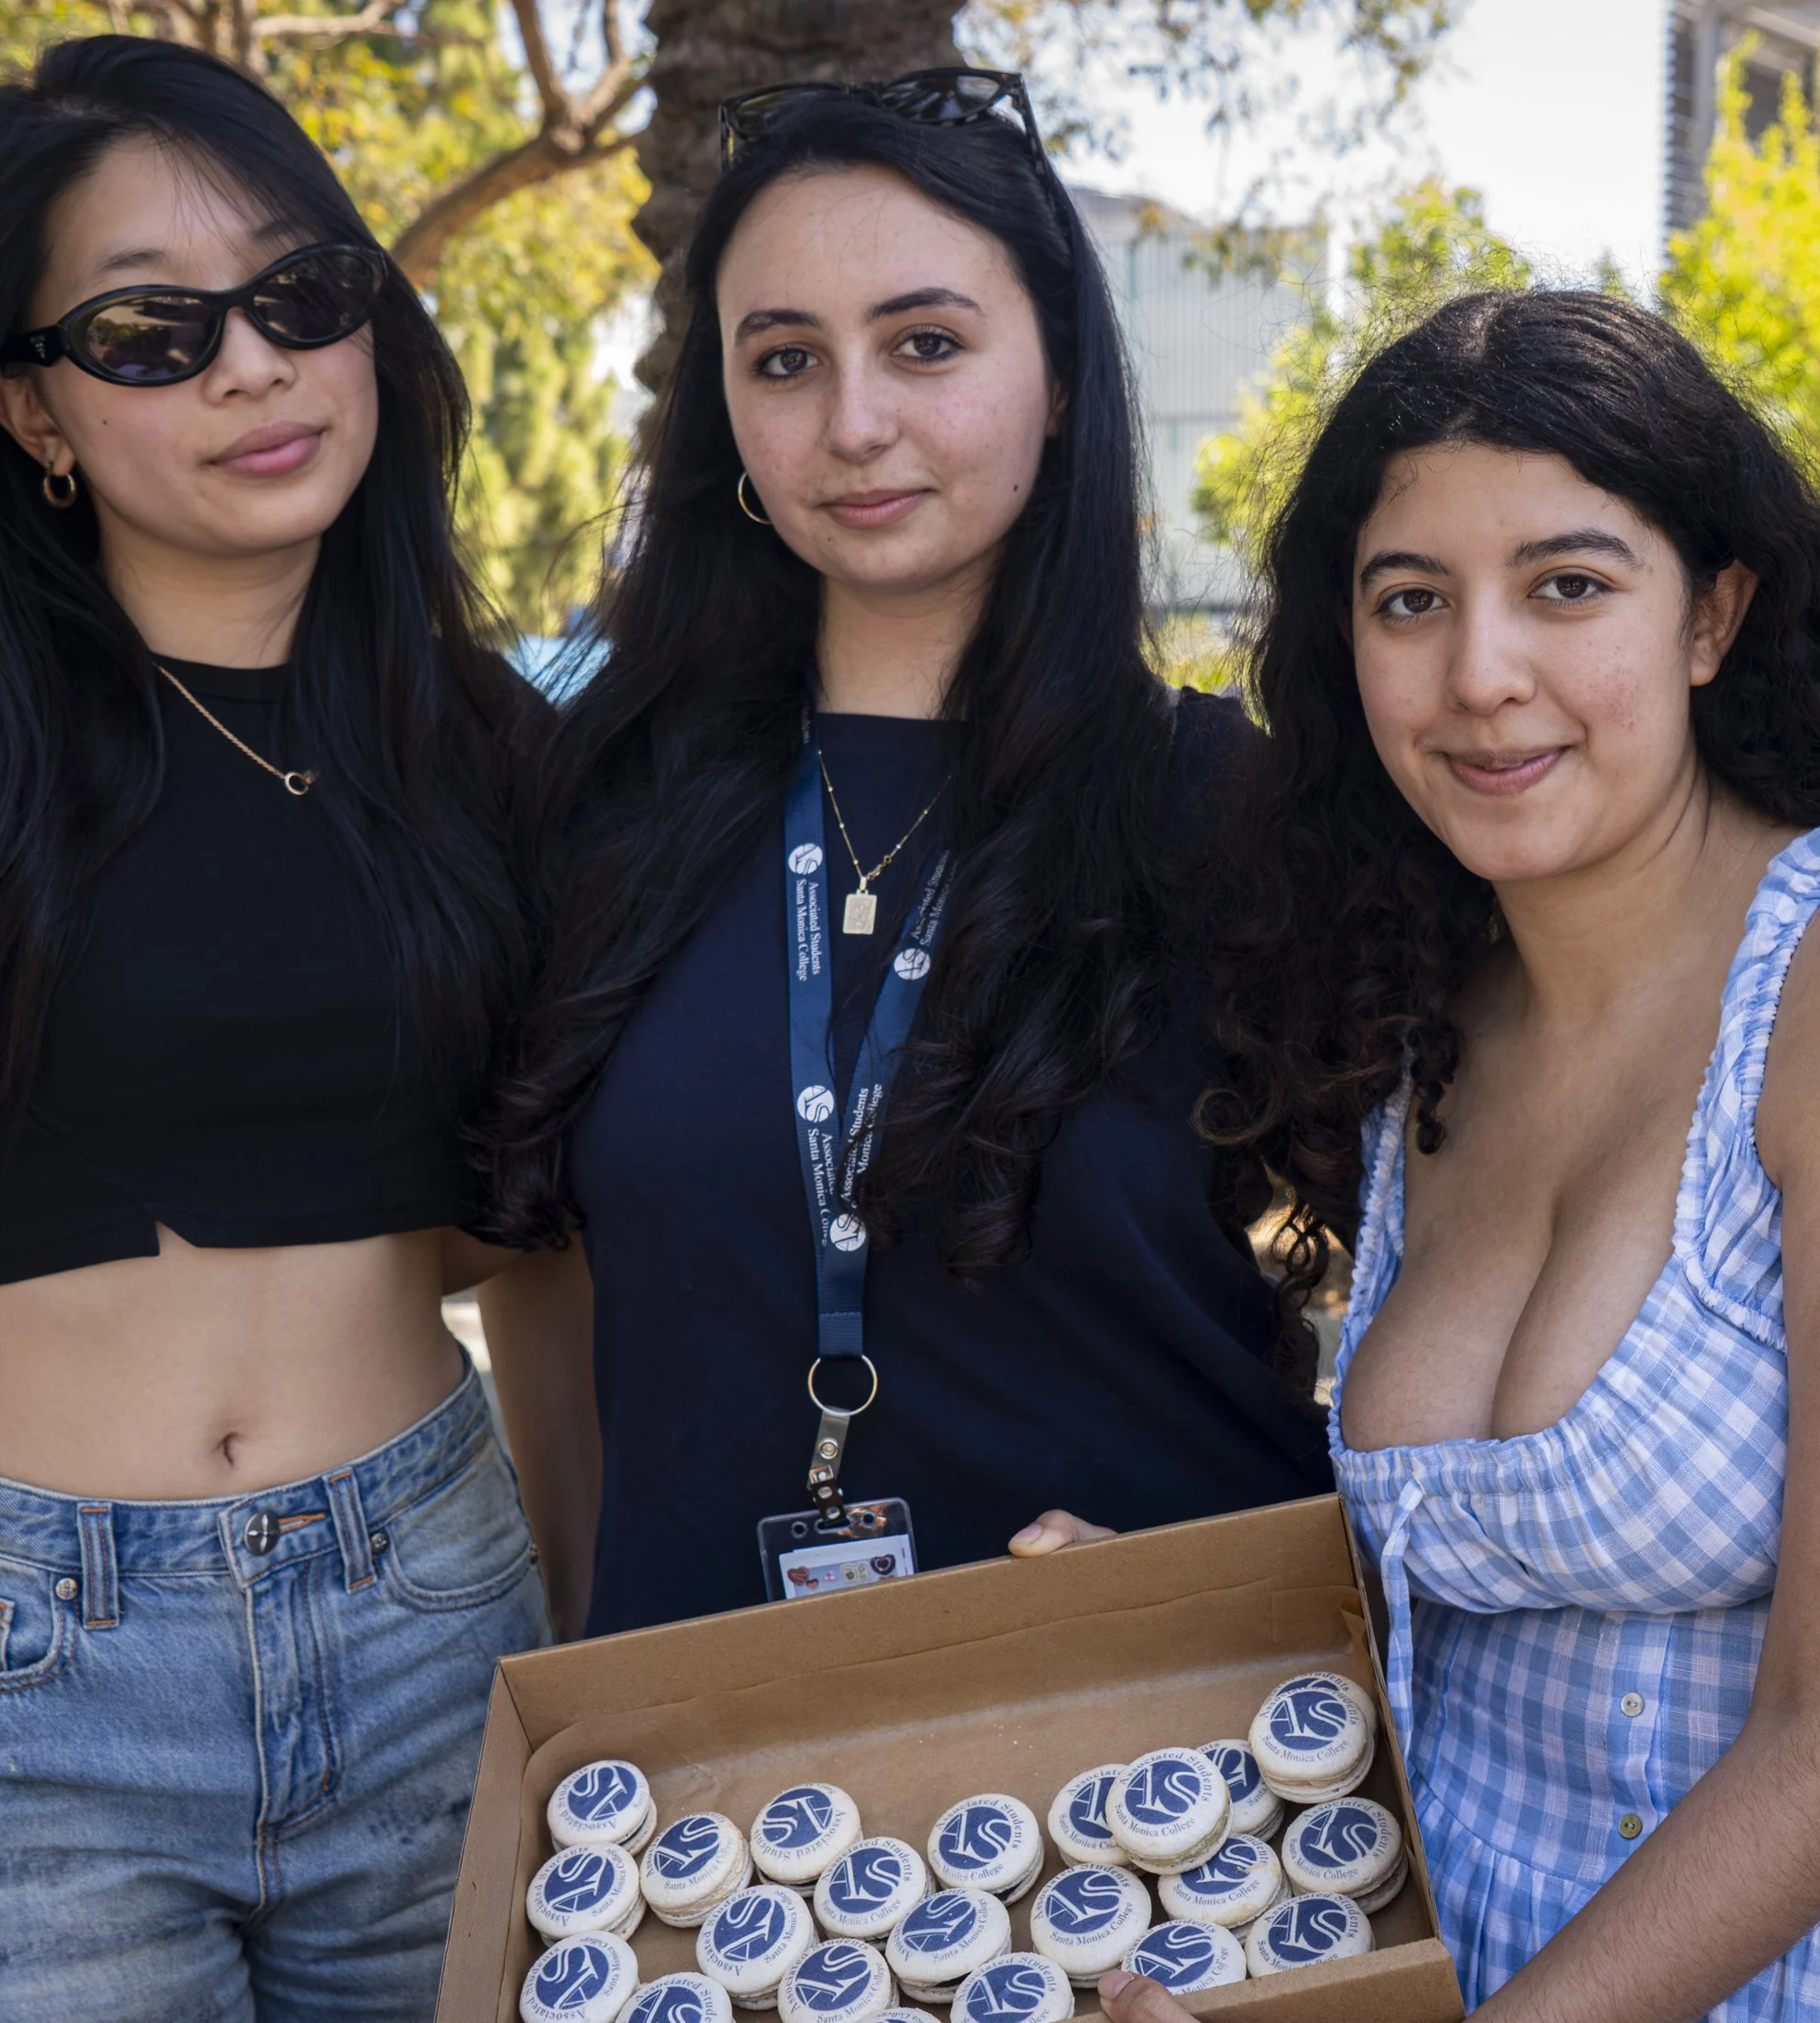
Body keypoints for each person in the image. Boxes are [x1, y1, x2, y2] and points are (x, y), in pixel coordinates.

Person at [923, 288, 1820, 2023]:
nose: (1476, 673)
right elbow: (1485, 1615)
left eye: (1565, 584)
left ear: (1712, 610)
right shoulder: (1434, 1025)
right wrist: (1185, 1629)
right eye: (1406, 598)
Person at [0, 37, 585, 2023]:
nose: (254, 371)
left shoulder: (485, 748)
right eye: (148, 333)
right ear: (29, 405)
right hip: (25, 1680)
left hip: (431, 1627)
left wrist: (604, 1679)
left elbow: (549, 1260)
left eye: (302, 293)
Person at [475, 74, 1332, 1637]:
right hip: (714, 1770)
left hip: (1154, 1745)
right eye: (786, 359)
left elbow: (1447, 1257)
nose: (854, 422)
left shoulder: (1229, 808)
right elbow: (546, 1273)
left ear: (1061, 375)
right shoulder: (601, 802)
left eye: (926, 345)